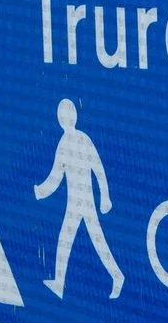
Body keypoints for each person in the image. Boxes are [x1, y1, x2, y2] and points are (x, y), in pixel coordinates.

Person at [33, 98, 123, 300]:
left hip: (81, 202)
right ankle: (60, 282)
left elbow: (60, 176)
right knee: (72, 239)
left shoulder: (70, 142)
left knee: (92, 240)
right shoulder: (79, 139)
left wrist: (40, 191)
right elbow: (61, 175)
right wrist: (105, 196)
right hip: (79, 201)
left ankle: (117, 276)